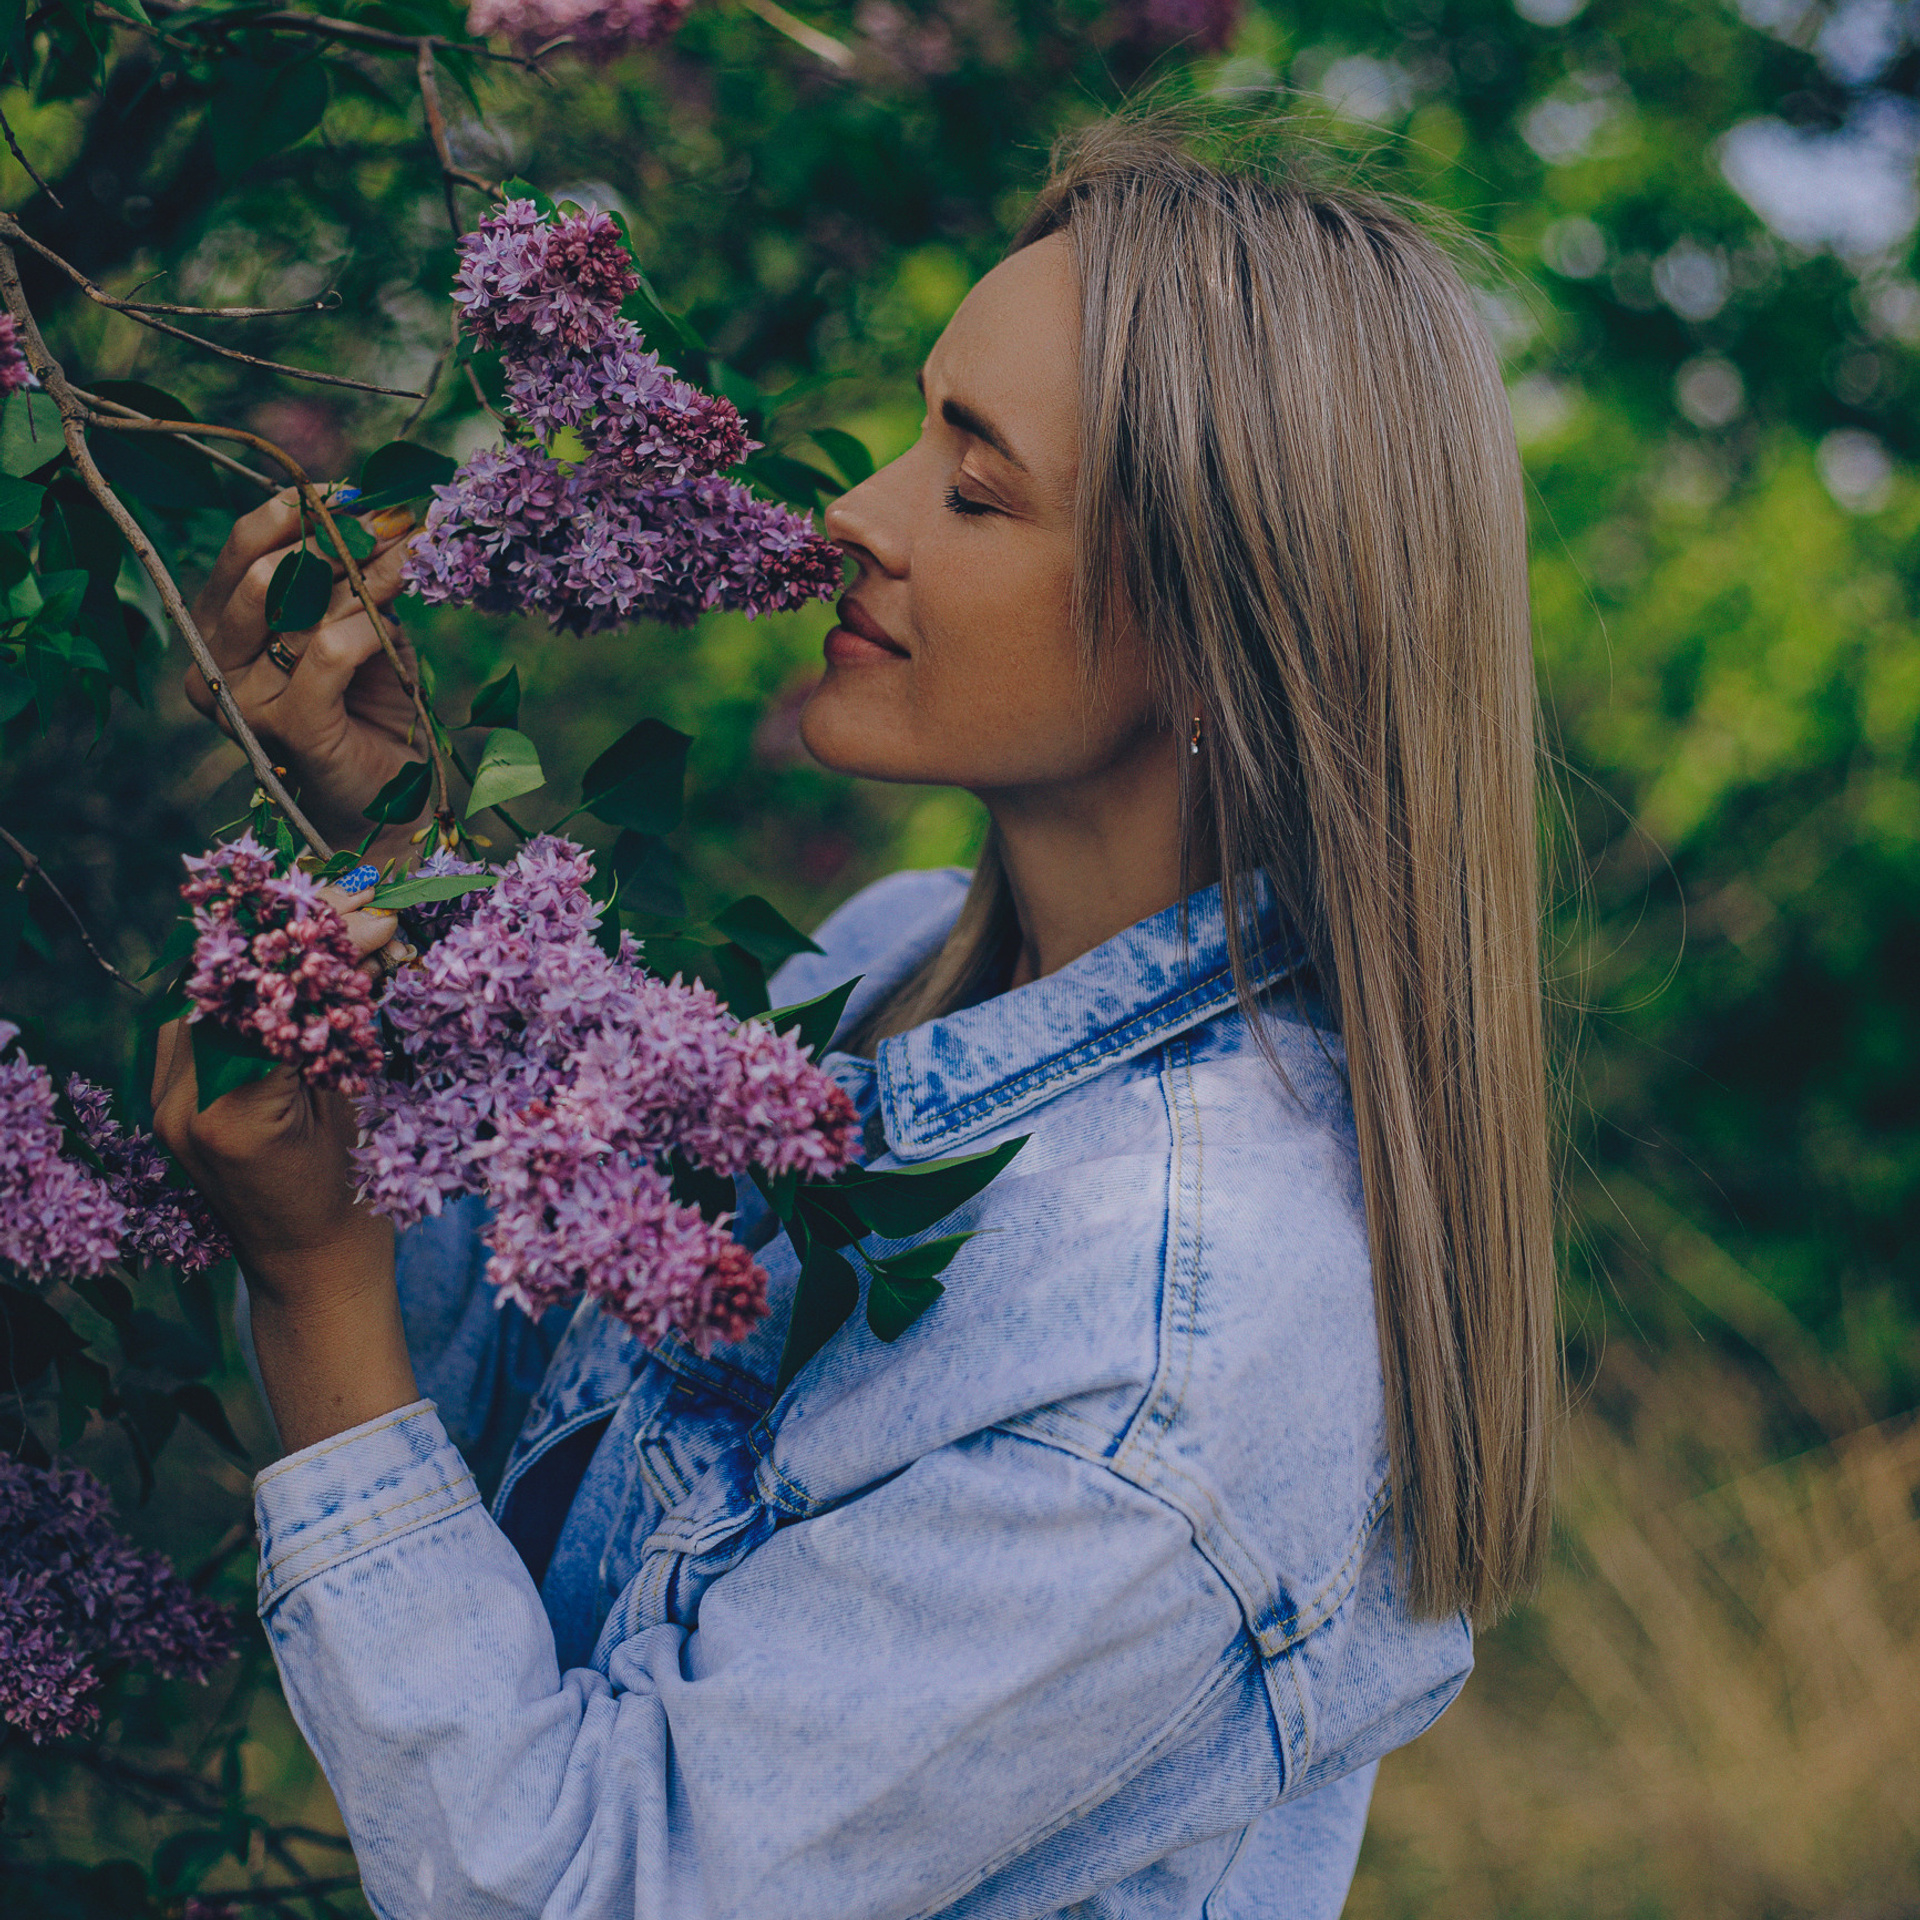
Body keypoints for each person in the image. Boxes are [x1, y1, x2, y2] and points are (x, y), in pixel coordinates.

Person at [156, 113, 1557, 1920]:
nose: (856, 515)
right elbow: (498, 1429)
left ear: (1224, 626)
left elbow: (577, 1887)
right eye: (917, 427)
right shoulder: (879, 967)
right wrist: (398, 871)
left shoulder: (1174, 1350)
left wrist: (315, 1291)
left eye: (974, 490)